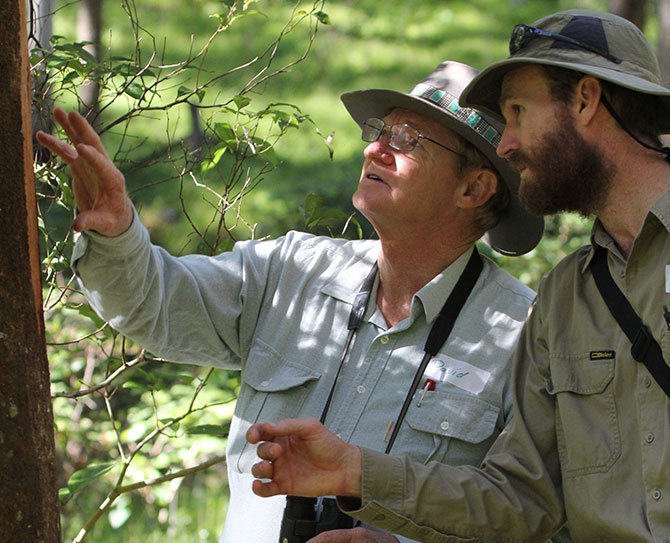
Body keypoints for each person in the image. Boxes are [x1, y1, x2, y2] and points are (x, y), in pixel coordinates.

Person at [36, 61, 543, 543]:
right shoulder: (292, 271)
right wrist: (118, 229)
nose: (373, 151)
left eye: (408, 140)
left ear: (474, 188)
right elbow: (153, 304)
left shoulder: (526, 336)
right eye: (379, 132)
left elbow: (538, 516)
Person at [247, 8, 670, 543]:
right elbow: (522, 501)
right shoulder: (566, 298)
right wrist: (355, 471)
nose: (508, 145)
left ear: (585, 100)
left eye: (517, 112)